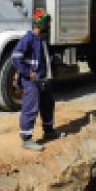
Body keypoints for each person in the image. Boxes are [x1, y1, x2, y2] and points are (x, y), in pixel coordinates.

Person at [12, 10, 62, 151]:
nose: (49, 27)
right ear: (40, 25)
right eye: (47, 24)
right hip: (32, 81)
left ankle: (49, 131)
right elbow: (16, 57)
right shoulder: (28, 39)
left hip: (42, 78)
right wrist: (27, 72)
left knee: (47, 104)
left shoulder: (40, 40)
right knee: (30, 108)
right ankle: (26, 139)